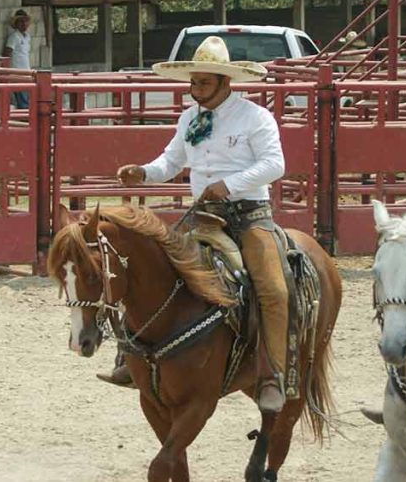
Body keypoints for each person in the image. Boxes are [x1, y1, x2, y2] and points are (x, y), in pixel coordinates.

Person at [113, 36, 290, 413]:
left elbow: (275, 165)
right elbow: (171, 161)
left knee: (273, 289)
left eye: (204, 84)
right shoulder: (188, 118)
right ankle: (131, 355)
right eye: (193, 83)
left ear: (226, 82)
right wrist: (143, 173)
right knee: (147, 269)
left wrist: (228, 185)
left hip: (248, 215)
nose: (196, 91)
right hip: (202, 214)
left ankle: (272, 372)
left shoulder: (255, 117)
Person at [2, 9, 32, 109]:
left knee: (27, 98)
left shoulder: (27, 37)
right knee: (22, 100)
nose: (24, 24)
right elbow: (7, 53)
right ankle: (24, 121)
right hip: (17, 73)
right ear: (16, 23)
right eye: (21, 21)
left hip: (26, 73)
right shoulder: (14, 37)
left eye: (25, 21)